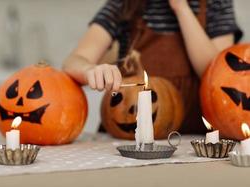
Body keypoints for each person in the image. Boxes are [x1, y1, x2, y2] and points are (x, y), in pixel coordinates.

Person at [63, 0, 242, 134]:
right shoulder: (124, 4)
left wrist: (181, 8)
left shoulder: (216, 4)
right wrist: (89, 70)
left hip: (191, 139)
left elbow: (216, 74)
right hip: (129, 133)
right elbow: (74, 61)